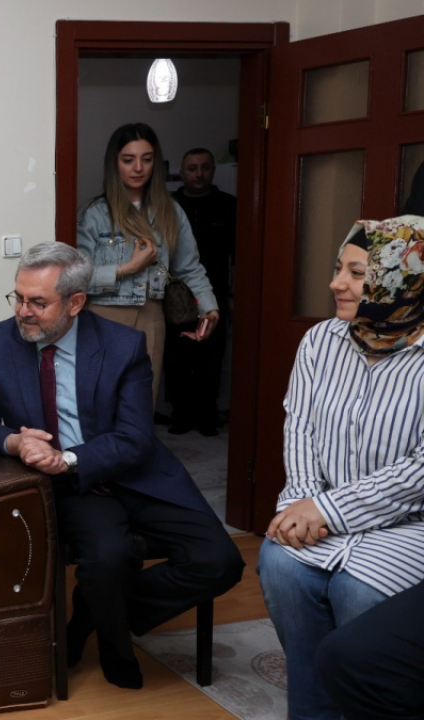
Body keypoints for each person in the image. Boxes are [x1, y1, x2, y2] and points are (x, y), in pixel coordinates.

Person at [0, 243, 243, 689]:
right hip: (74, 489)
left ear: (75, 302)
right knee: (109, 557)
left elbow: (135, 437)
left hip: (138, 474)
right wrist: (15, 442)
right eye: (19, 298)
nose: (23, 312)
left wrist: (68, 458)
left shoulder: (122, 345)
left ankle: (90, 618)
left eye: (38, 302)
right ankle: (115, 647)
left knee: (221, 560)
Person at [261, 168, 424, 720]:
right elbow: (299, 427)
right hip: (317, 507)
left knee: (358, 589)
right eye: (337, 269)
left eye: (357, 273)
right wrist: (300, 503)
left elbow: (421, 469)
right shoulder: (320, 340)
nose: (336, 284)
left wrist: (327, 511)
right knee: (281, 565)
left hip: (408, 524)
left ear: (403, 280)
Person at [77, 123, 221, 403]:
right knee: (100, 402)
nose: (138, 168)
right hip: (103, 315)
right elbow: (77, 279)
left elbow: (189, 267)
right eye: (128, 159)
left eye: (147, 159)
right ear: (114, 163)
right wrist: (127, 268)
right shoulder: (94, 214)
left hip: (152, 315)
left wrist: (209, 307)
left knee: (142, 403)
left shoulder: (171, 211)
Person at [165, 148, 237, 436]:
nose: (199, 173)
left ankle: (207, 415)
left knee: (211, 356)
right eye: (192, 168)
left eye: (205, 167)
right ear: (182, 173)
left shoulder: (228, 206)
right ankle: (181, 415)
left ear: (213, 171)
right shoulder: (169, 206)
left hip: (214, 293)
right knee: (177, 356)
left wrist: (232, 294)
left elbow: (239, 254)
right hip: (175, 296)